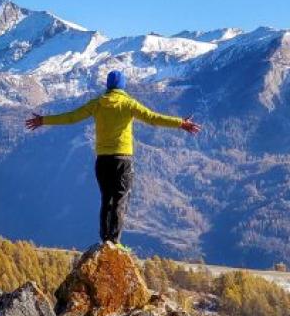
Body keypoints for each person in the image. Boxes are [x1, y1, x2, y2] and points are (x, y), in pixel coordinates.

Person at [25, 70, 201, 247]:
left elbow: (71, 117)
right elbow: (153, 118)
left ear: (107, 86)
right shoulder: (128, 104)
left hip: (102, 160)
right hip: (123, 159)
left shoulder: (97, 104)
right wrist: (180, 123)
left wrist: (44, 120)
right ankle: (114, 242)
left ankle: (105, 240)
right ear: (123, 86)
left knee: (106, 199)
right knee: (120, 199)